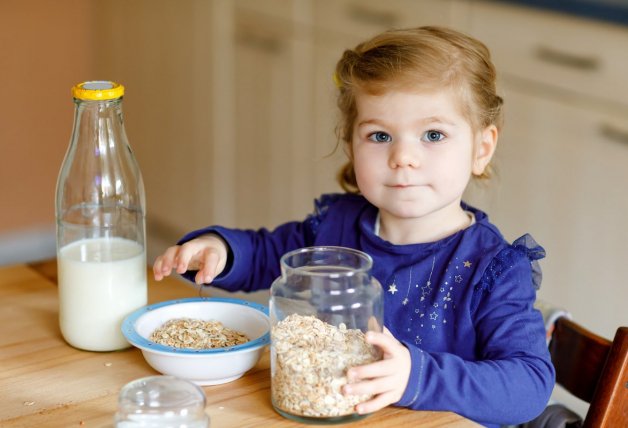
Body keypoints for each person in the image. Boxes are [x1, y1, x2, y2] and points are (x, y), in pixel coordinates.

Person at [153, 26, 555, 427]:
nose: (403, 157)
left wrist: (416, 377)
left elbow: (529, 385)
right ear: (351, 145)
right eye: (380, 135)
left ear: (481, 149)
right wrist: (220, 250)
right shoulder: (335, 227)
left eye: (433, 134)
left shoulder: (493, 268)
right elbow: (263, 255)